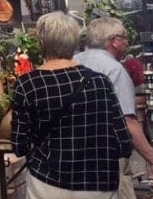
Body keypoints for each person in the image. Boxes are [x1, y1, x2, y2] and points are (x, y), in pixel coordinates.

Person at [12, 11, 132, 199]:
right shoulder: (100, 82)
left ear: (41, 43)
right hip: (98, 184)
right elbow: (124, 142)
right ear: (75, 43)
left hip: (47, 184)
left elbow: (20, 145)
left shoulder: (28, 84)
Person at [75, 18, 153, 195]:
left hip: (71, 160)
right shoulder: (114, 70)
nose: (127, 43)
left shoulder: (72, 61)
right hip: (107, 160)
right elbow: (128, 122)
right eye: (125, 38)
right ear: (113, 41)